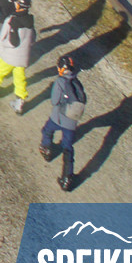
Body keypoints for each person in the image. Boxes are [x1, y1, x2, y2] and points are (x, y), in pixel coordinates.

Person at [38, 53, 88, 192]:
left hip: (58, 117)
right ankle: (67, 178)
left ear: (60, 68)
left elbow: (54, 101)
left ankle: (47, 150)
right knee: (68, 147)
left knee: (47, 130)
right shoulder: (77, 82)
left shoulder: (60, 82)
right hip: (72, 122)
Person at [0, 0, 37, 112]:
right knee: (20, 78)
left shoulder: (12, 20)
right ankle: (20, 99)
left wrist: (3, 46)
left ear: (18, 5)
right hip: (23, 58)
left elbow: (10, 41)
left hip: (11, 56)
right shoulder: (30, 22)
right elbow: (33, 39)